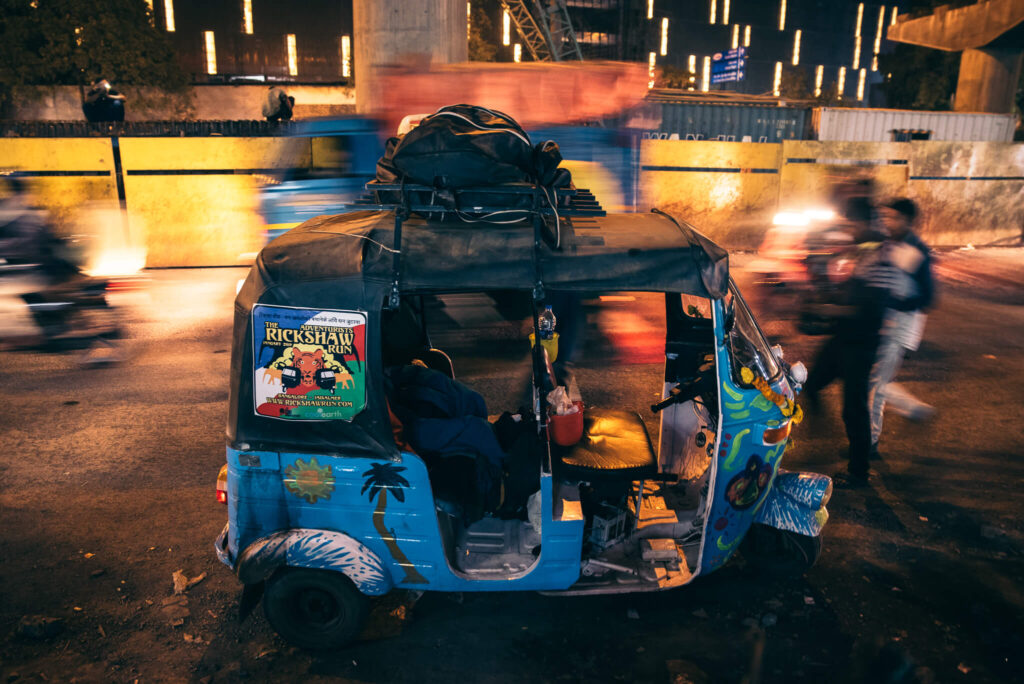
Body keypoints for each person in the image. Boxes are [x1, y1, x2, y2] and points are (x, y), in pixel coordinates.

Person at [803, 196, 893, 487]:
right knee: (813, 383)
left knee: (854, 408)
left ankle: (859, 470)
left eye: (850, 222)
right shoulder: (863, 251)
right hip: (843, 338)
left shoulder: (880, 258)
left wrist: (831, 309)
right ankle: (823, 432)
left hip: (861, 343)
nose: (848, 228)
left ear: (863, 223)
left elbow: (869, 309)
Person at [868, 198, 935, 458]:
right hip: (883, 325)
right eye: (885, 217)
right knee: (875, 381)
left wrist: (896, 303)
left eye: (893, 218)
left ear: (907, 221)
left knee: (875, 383)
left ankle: (870, 441)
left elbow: (928, 297)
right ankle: (912, 410)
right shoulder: (889, 245)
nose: (887, 222)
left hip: (899, 328)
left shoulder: (917, 251)